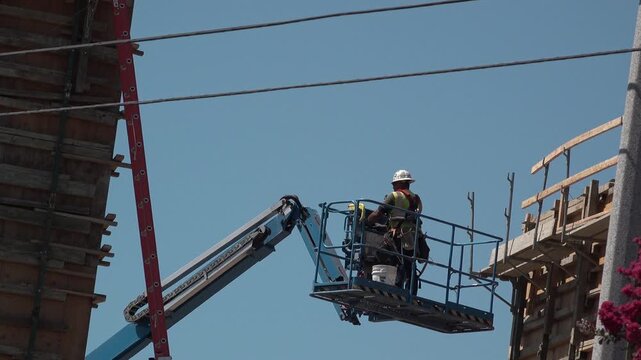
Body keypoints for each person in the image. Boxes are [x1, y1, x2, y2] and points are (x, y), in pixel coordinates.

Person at [366, 169, 429, 294]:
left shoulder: (393, 196)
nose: (393, 186)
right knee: (409, 264)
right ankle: (411, 293)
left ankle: (396, 289)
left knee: (383, 257)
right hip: (414, 236)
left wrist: (367, 221)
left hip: (398, 235)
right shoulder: (416, 198)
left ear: (400, 183)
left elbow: (378, 213)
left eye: (394, 183)